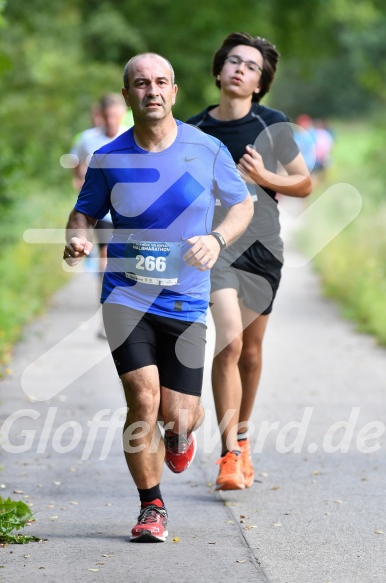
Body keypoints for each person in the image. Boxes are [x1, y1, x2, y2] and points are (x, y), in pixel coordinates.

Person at [63, 52, 253, 542]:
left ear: (174, 92)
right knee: (142, 398)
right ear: (127, 95)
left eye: (161, 82)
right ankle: (152, 507)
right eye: (141, 83)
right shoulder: (110, 157)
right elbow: (82, 212)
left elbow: (241, 205)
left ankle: (179, 433)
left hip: (185, 301)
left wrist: (217, 240)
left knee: (178, 413)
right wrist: (78, 237)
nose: (151, 90)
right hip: (127, 297)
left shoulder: (207, 150)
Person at [187, 32, 312, 491]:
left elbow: (303, 183)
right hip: (216, 248)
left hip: (262, 250)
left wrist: (264, 176)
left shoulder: (273, 124)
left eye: (251, 66)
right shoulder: (195, 130)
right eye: (233, 62)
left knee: (253, 354)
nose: (240, 69)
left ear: (260, 82)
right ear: (219, 71)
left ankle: (242, 435)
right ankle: (229, 455)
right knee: (230, 345)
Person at [70, 94, 130, 337]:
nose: (112, 121)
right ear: (101, 116)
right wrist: (80, 178)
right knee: (106, 259)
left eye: (116, 116)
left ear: (122, 115)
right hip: (102, 212)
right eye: (108, 116)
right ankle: (107, 318)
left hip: (129, 211)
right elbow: (76, 161)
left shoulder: (132, 134)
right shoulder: (88, 138)